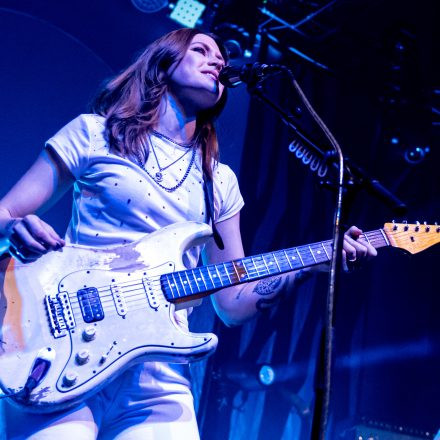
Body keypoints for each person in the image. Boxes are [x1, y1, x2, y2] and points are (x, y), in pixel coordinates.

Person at [0, 28, 376, 439]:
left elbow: (232, 303)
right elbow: (6, 212)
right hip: (65, 349)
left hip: (159, 378)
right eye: (201, 50)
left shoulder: (220, 181)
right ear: (163, 63)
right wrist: (16, 228)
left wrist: (315, 263)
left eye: (221, 57)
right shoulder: (95, 134)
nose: (218, 61)